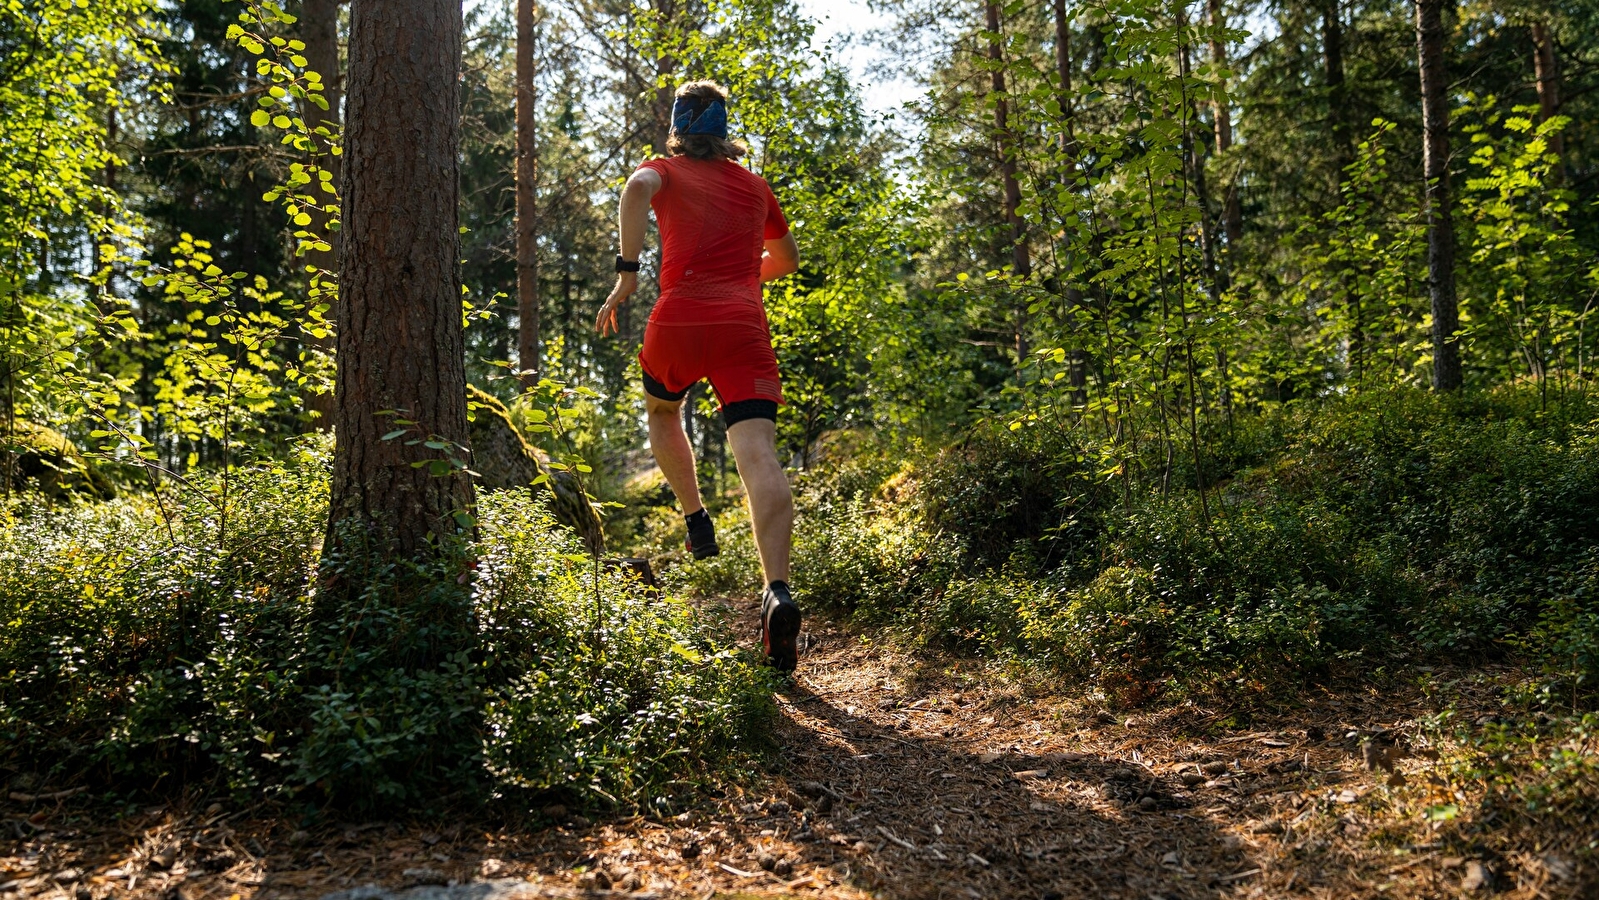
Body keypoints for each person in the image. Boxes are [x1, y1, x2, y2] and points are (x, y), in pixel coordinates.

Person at [594, 80, 804, 672]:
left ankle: (695, 517)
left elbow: (636, 187)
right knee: (758, 452)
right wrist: (740, 281)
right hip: (743, 325)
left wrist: (628, 274)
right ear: (723, 132)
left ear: (680, 129)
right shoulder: (756, 186)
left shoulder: (663, 169)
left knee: (663, 411)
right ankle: (778, 590)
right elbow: (786, 260)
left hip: (679, 318)